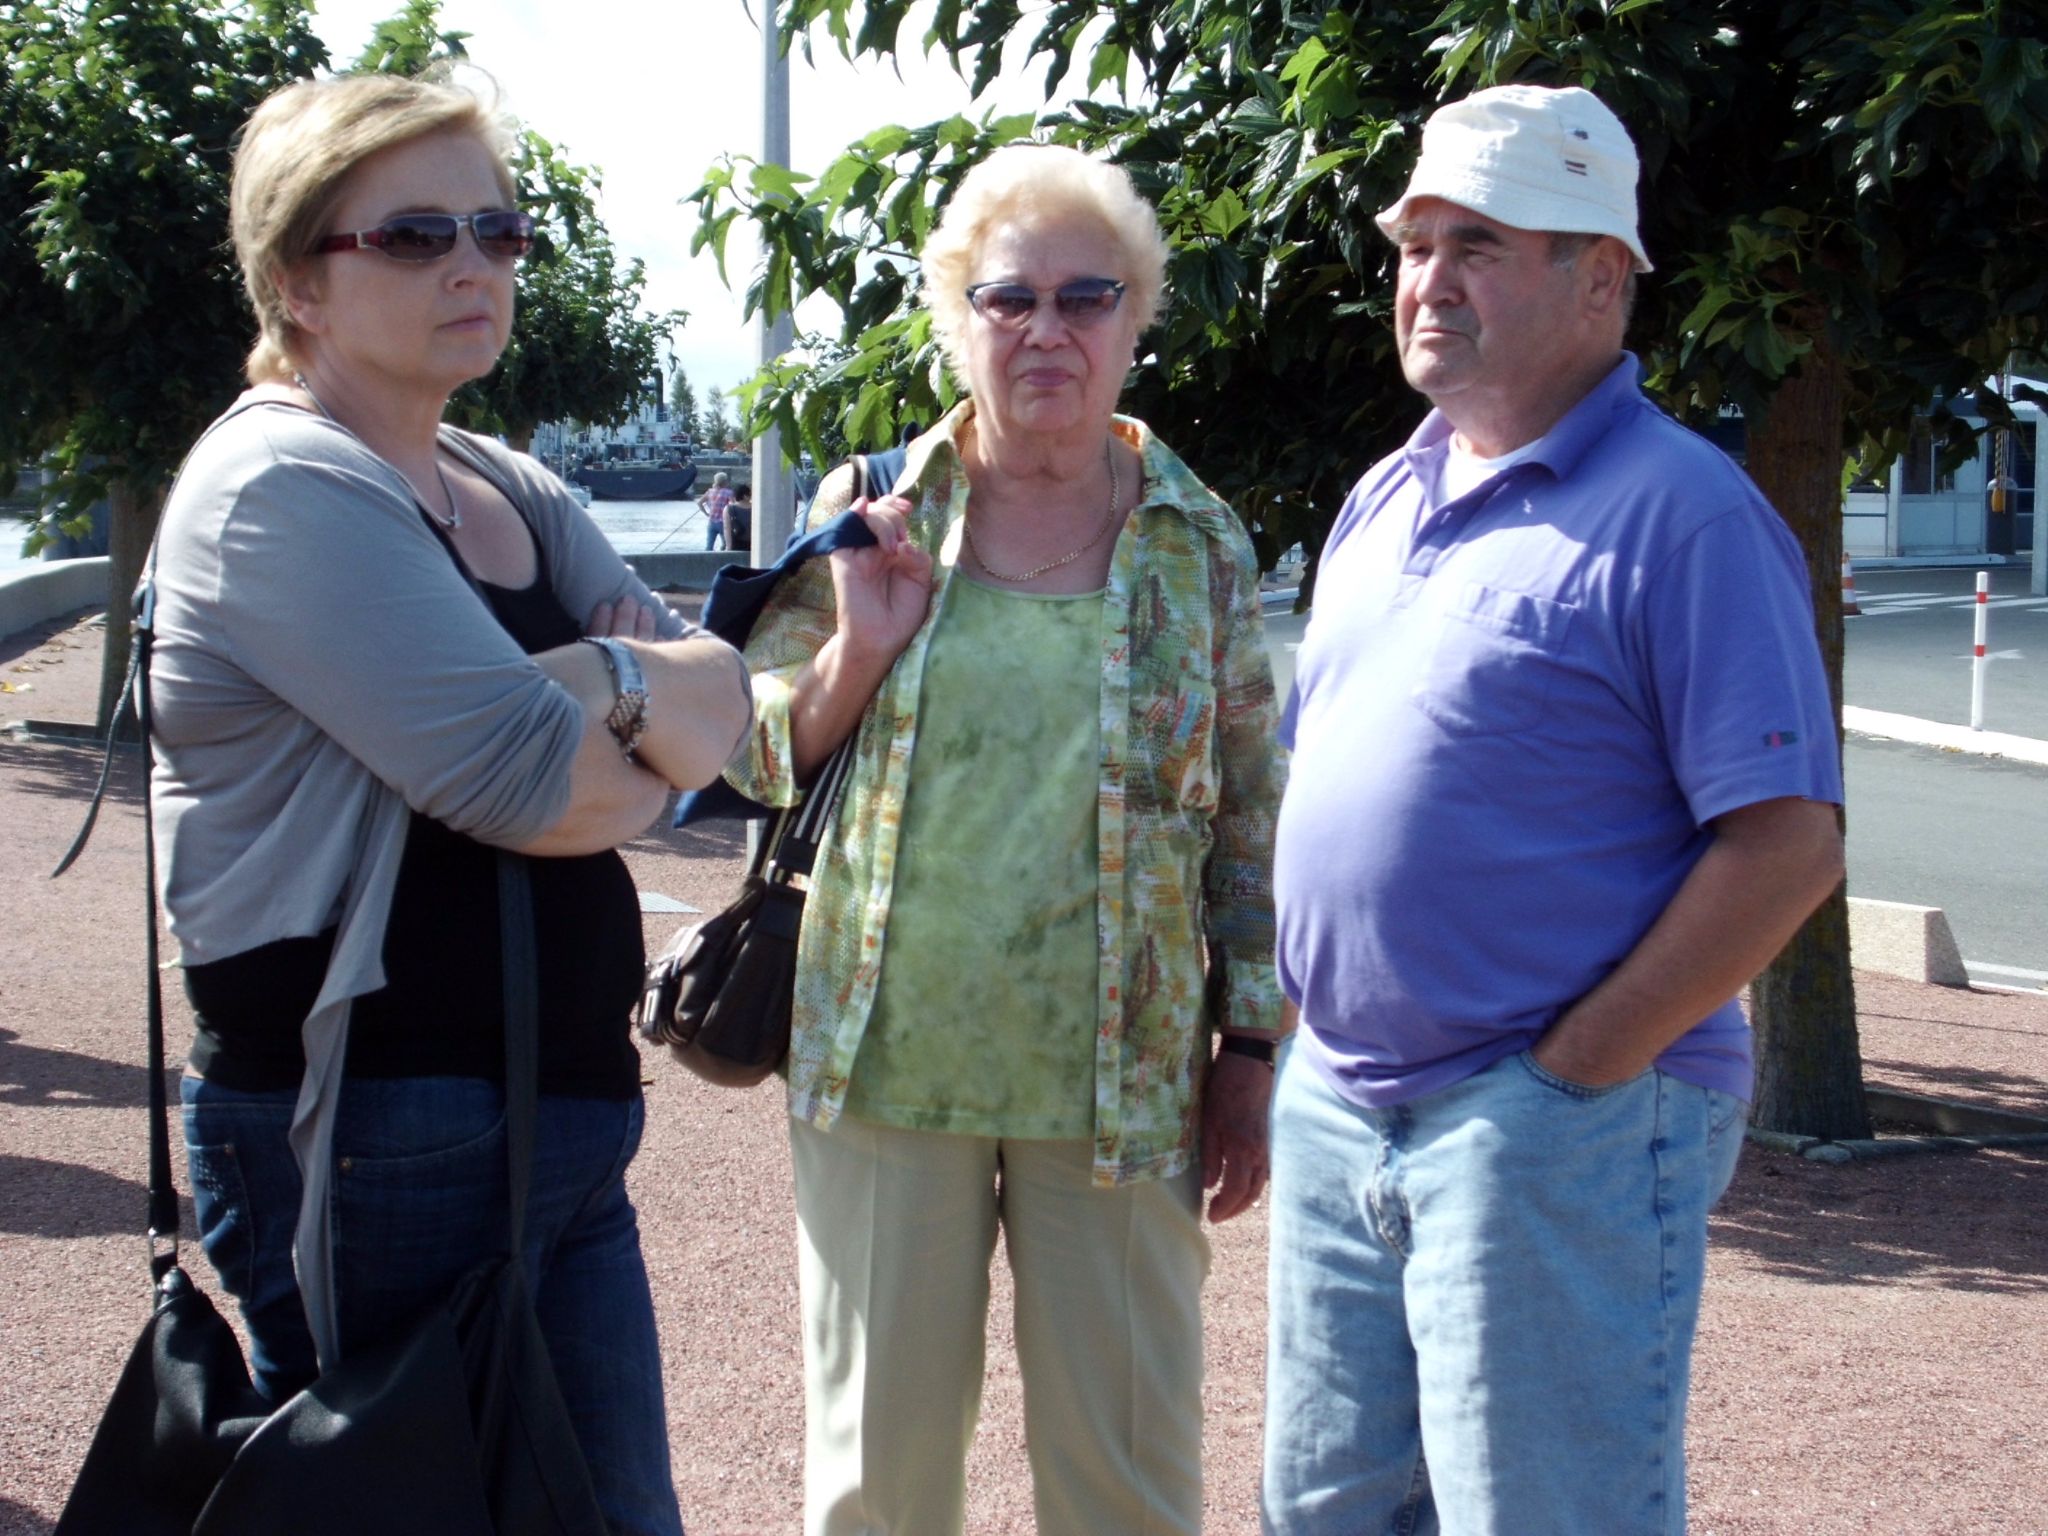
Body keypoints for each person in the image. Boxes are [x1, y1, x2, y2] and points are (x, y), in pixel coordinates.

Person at [148, 72, 753, 1536]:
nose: (474, 263)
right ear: (297, 277)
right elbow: (529, 785)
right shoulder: (279, 482)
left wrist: (604, 678)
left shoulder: (498, 478)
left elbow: (720, 699)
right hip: (364, 1124)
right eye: (414, 236)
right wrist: (629, 708)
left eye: (499, 229)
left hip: (564, 1116)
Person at [1263, 84, 1847, 1534]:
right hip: (1344, 1113)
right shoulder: (1381, 501)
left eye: (1479, 245)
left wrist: (1572, 1076)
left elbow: (1787, 845)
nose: (1428, 281)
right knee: (1326, 1516)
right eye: (1415, 245)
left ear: (1600, 277)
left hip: (1543, 1124)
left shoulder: (1686, 514)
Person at [720, 142, 1287, 1536]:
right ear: (955, 318)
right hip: (881, 1056)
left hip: (1127, 1076)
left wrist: (1255, 1047)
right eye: (1008, 298)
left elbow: (1254, 812)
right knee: (878, 1481)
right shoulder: (874, 516)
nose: (1046, 330)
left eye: (1086, 299)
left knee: (1130, 1479)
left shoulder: (1199, 544)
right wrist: (859, 645)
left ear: (1134, 322)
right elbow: (748, 759)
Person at [701, 469, 733, 551]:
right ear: (725, 482)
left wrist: (706, 513)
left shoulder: (710, 491)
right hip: (723, 522)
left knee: (709, 546)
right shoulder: (728, 492)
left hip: (711, 521)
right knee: (726, 545)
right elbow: (733, 505)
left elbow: (699, 503)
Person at [724, 482, 753, 553]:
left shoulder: (729, 509)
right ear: (745, 495)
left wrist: (728, 546)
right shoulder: (756, 508)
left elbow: (727, 528)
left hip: (737, 542)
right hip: (754, 543)